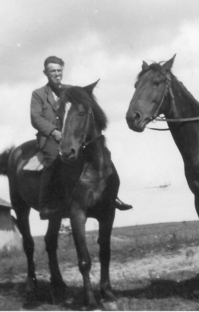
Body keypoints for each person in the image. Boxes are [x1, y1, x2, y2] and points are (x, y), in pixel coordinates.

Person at [31, 55, 132, 220]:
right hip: (51, 138)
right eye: (52, 71)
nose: (56, 74)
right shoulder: (38, 94)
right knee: (52, 160)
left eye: (58, 70)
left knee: (103, 155)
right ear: (45, 73)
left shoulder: (72, 91)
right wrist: (54, 132)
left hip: (74, 136)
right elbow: (35, 118)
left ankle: (112, 196)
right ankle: (46, 204)